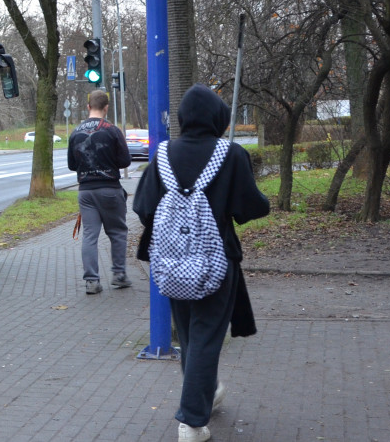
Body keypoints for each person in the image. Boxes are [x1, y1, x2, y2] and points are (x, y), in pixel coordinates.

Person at [132, 84, 270, 442]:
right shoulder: (231, 155)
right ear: (217, 118)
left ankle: (207, 393)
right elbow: (250, 207)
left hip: (172, 264)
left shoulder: (162, 155)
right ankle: (192, 422)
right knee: (208, 336)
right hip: (216, 263)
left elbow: (143, 208)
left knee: (193, 336)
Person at [67, 89, 132, 294]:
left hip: (86, 191)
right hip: (110, 189)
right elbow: (125, 161)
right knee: (117, 232)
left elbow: (71, 164)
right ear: (106, 108)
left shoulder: (76, 132)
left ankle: (91, 281)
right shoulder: (112, 131)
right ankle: (119, 275)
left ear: (88, 107)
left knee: (89, 236)